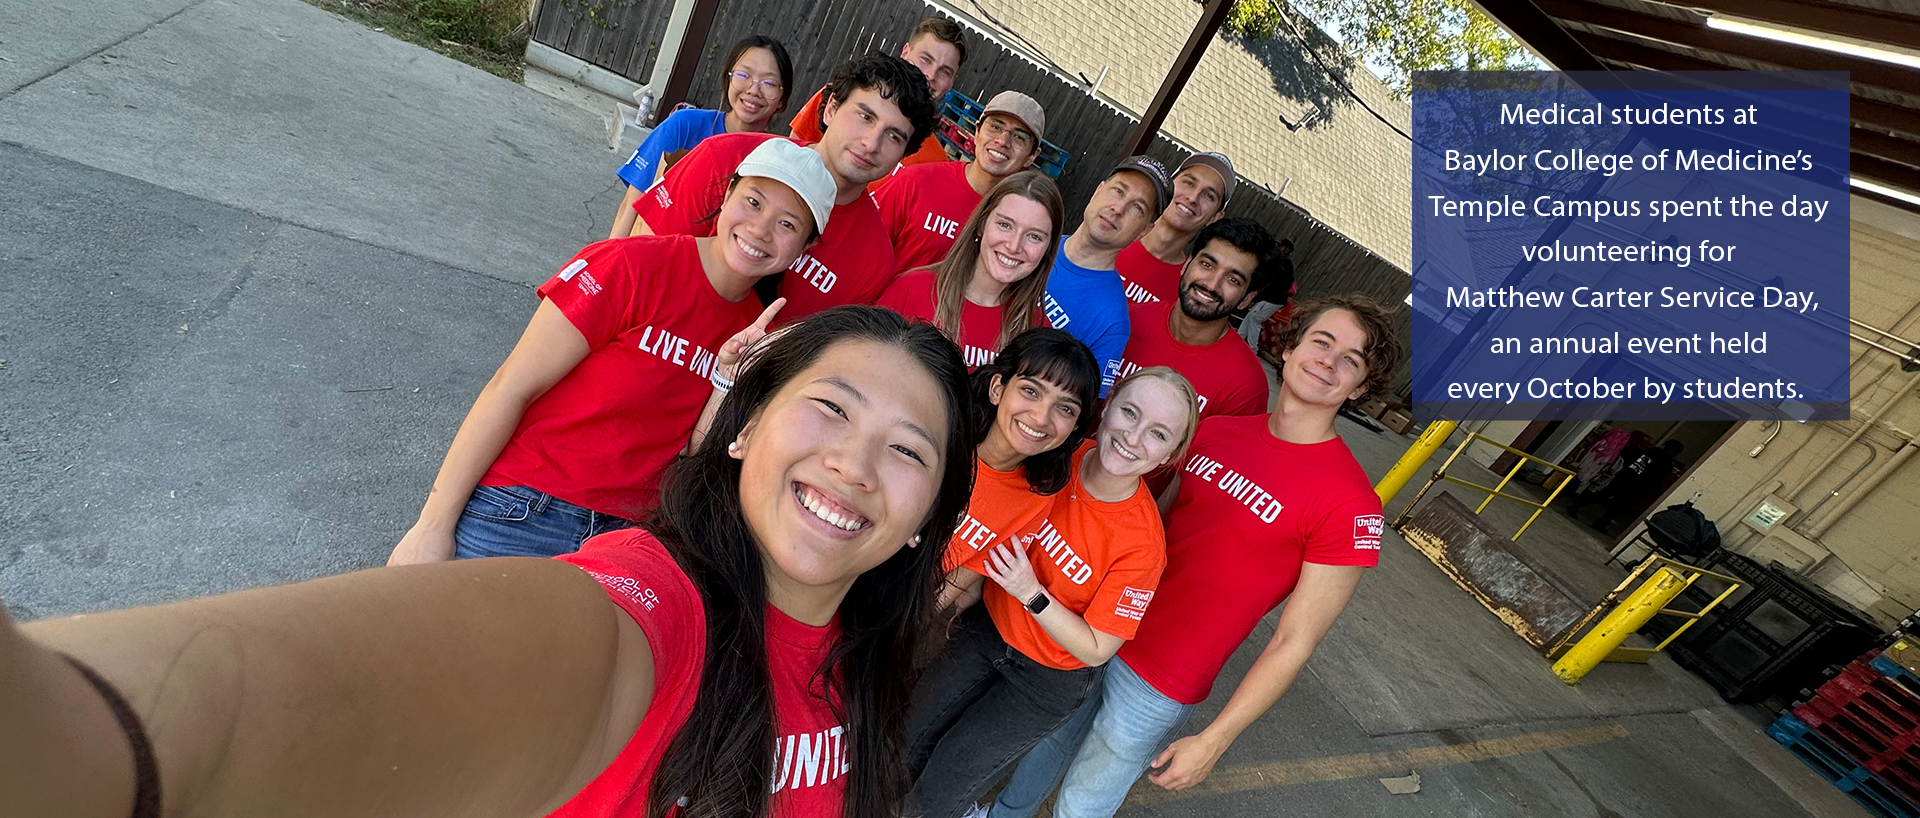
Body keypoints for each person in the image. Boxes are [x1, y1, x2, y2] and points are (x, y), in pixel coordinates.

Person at [6, 306, 977, 818]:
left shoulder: (873, 650)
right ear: (743, 429)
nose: (854, 463)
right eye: (833, 407)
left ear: (924, 518)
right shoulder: (653, 603)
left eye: (908, 449)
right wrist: (87, 744)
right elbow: (263, 705)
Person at [992, 294, 1403, 818]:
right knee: (1045, 745)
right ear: (1292, 346)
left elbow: (1294, 641)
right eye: (1322, 342)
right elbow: (1150, 527)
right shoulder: (1219, 429)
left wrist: (1217, 738)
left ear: (1361, 386)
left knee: (1088, 794)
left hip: (1166, 675)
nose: (1329, 360)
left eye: (1352, 359)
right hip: (1097, 624)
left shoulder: (1351, 504)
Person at [384, 138, 837, 564]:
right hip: (522, 509)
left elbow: (696, 455)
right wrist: (433, 524)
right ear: (727, 193)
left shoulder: (759, 337)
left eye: (787, 224)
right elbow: (511, 387)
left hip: (624, 541)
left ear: (806, 246)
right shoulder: (630, 265)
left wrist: (726, 378)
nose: (759, 229)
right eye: (753, 202)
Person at [905, 367, 1201, 818]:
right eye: (1129, 412)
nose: (1133, 437)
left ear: (1172, 454)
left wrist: (1032, 593)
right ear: (1107, 407)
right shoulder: (1053, 457)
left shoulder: (1142, 544)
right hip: (987, 626)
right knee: (905, 739)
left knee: (945, 783)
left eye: (1158, 434)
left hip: (1047, 679)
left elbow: (1099, 648)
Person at [628, 52, 938, 321]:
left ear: (904, 154)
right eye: (864, 116)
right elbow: (639, 265)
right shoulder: (723, 157)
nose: (871, 143)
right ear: (830, 109)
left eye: (894, 136)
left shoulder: (873, 261)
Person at [935, 327, 1101, 608]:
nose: (1040, 418)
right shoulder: (943, 435)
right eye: (1030, 391)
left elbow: (951, 591)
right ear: (997, 388)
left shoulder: (1035, 500)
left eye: (1065, 409)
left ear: (1074, 429)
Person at [608, 35, 796, 238]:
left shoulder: (775, 162)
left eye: (769, 82)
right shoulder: (685, 125)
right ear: (728, 78)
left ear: (782, 100)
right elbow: (630, 206)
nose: (753, 89)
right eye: (744, 75)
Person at [878, 171, 1062, 368]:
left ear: (1048, 249)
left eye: (1034, 236)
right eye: (1004, 224)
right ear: (982, 224)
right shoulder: (912, 289)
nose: (1014, 246)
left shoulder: (1038, 332)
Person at [1117, 217, 1285, 423]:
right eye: (1207, 264)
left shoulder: (1245, 385)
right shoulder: (1126, 321)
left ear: (1247, 299)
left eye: (1233, 280)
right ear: (1186, 264)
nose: (1212, 284)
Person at [872, 91, 1046, 274]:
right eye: (995, 126)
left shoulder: (1019, 225)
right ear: (978, 131)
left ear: (1032, 156)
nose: (1002, 141)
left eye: (1019, 137)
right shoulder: (919, 180)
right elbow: (863, 243)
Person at [1043, 156, 1171, 396]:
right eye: (1118, 191)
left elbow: (1080, 408)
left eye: (1137, 208)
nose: (1118, 208)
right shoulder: (1036, 243)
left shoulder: (1112, 323)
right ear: (1098, 191)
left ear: (1144, 231)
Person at [789, 16, 967, 172]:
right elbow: (793, 151)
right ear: (905, 52)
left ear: (952, 81)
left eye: (945, 71)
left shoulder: (934, 162)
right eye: (925, 59)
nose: (930, 75)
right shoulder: (842, 97)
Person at [1114, 152, 1234, 305]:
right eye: (1189, 183)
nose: (1193, 198)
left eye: (1209, 196)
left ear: (1215, 217)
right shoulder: (1110, 235)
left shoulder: (1191, 288)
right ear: (1169, 187)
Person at [1239, 238, 1297, 348]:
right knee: (1252, 315)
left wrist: (1256, 297)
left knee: (1256, 318)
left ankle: (1252, 347)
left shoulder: (1284, 264)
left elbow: (1274, 284)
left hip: (1275, 299)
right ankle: (1239, 338)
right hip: (1271, 298)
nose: (1278, 248)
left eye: (1281, 246)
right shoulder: (1280, 262)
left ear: (1286, 249)